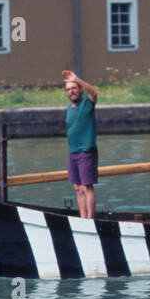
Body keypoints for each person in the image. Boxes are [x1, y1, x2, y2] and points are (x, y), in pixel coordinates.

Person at [62, 69, 99, 218]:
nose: (71, 91)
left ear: (80, 89)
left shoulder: (87, 104)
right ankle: (83, 217)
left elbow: (94, 93)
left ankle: (90, 219)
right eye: (69, 89)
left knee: (86, 186)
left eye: (74, 88)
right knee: (77, 187)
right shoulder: (68, 109)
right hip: (73, 152)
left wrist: (77, 79)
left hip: (86, 151)